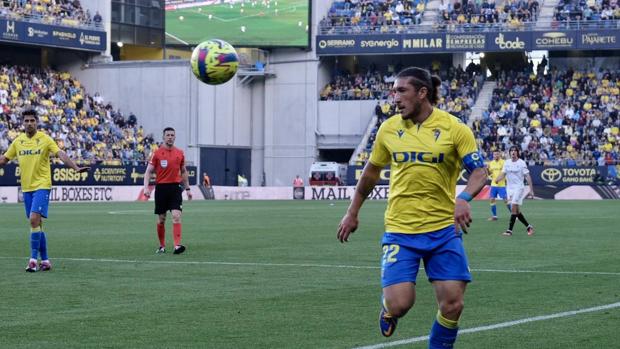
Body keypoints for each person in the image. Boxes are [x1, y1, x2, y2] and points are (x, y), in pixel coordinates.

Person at [337, 67, 488, 348]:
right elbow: (370, 173)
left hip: (443, 230)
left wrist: (463, 199)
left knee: (453, 305)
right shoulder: (389, 128)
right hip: (401, 229)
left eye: (401, 91)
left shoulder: (455, 128)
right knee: (400, 305)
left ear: (422, 93)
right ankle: (388, 310)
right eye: (393, 91)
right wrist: (352, 211)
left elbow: (479, 172)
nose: (395, 97)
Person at [0, 109, 88, 272]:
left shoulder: (45, 139)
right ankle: (46, 260)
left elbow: (60, 153)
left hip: (42, 185)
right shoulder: (18, 141)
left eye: (32, 120)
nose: (29, 123)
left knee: (33, 219)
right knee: (37, 224)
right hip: (26, 188)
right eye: (26, 121)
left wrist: (75, 167)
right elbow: (4, 159)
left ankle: (33, 260)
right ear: (22, 123)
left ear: (37, 122)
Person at [143, 127, 192, 254]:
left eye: (172, 135)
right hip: (161, 189)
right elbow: (148, 172)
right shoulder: (157, 153)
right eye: (168, 135)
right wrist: (146, 187)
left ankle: (177, 246)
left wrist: (187, 189)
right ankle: (162, 246)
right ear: (163, 137)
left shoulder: (180, 153)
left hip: (175, 188)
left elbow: (184, 171)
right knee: (161, 219)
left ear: (175, 137)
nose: (170, 137)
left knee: (176, 216)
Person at [495, 146, 535, 236]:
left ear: (517, 152)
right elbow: (503, 173)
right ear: (509, 153)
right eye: (511, 151)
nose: (513, 152)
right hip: (510, 188)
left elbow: (527, 176)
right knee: (516, 211)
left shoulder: (521, 163)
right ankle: (529, 227)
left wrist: (531, 190)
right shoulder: (507, 162)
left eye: (515, 151)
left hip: (519, 188)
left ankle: (509, 230)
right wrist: (497, 179)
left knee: (513, 207)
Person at [486, 150, 510, 220]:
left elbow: (505, 173)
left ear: (500, 155)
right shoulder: (491, 163)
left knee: (505, 200)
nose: (496, 155)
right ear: (493, 155)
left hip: (501, 185)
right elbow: (489, 173)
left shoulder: (504, 162)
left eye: (497, 154)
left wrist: (499, 179)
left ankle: (514, 215)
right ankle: (495, 216)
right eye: (494, 154)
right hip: (493, 185)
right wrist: (487, 169)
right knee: (492, 199)